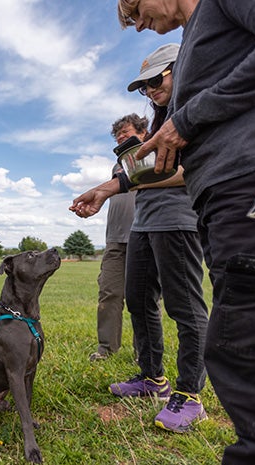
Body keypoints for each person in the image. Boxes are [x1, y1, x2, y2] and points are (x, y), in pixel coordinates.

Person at [119, 1, 255, 463]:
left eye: (136, 9)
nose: (139, 24)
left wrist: (184, 121)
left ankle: (195, 399)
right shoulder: (196, 38)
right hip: (237, 198)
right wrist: (132, 169)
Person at [70, 43, 210, 433]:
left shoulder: (192, 108)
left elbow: (193, 168)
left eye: (154, 80)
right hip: (144, 224)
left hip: (177, 220)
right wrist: (104, 189)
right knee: (138, 301)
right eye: (143, 86)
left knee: (184, 307)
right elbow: (137, 176)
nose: (148, 90)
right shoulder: (163, 114)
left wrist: (110, 187)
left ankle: (190, 394)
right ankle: (152, 378)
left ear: (179, 70)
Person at [89, 115, 140, 362]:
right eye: (117, 134)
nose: (120, 136)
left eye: (125, 131)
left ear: (142, 131)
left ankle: (145, 353)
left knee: (143, 298)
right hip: (115, 239)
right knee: (109, 293)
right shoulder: (118, 164)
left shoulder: (151, 152)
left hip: (144, 235)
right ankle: (107, 349)